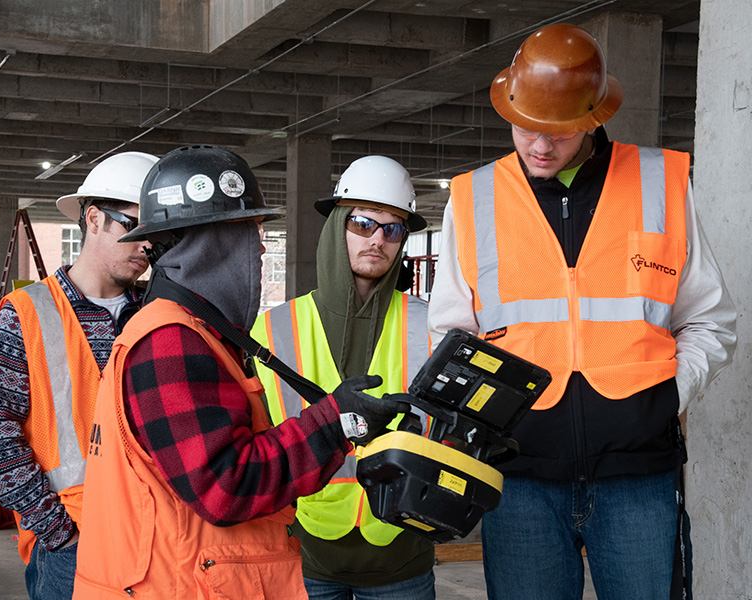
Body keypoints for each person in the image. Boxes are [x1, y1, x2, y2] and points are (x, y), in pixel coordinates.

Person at [428, 23, 737, 600]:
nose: (540, 147)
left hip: (638, 478)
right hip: (518, 481)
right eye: (526, 128)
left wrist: (670, 393)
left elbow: (710, 319)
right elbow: (451, 334)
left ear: (593, 118)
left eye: (560, 133)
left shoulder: (660, 183)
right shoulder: (474, 199)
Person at [71, 145, 410, 600]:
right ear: (210, 242)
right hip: (173, 587)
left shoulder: (199, 331)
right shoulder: (169, 339)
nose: (259, 247)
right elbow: (224, 486)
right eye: (249, 230)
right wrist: (336, 423)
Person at [0, 151, 158, 599]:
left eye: (157, 234)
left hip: (156, 537)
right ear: (94, 219)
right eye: (136, 226)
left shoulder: (156, 313)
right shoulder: (30, 312)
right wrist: (59, 533)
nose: (147, 247)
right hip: (73, 545)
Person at [251, 155, 436, 598]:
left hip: (401, 553)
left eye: (393, 229)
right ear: (337, 226)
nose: (378, 240)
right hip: (305, 550)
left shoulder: (431, 327)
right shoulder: (273, 329)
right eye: (364, 224)